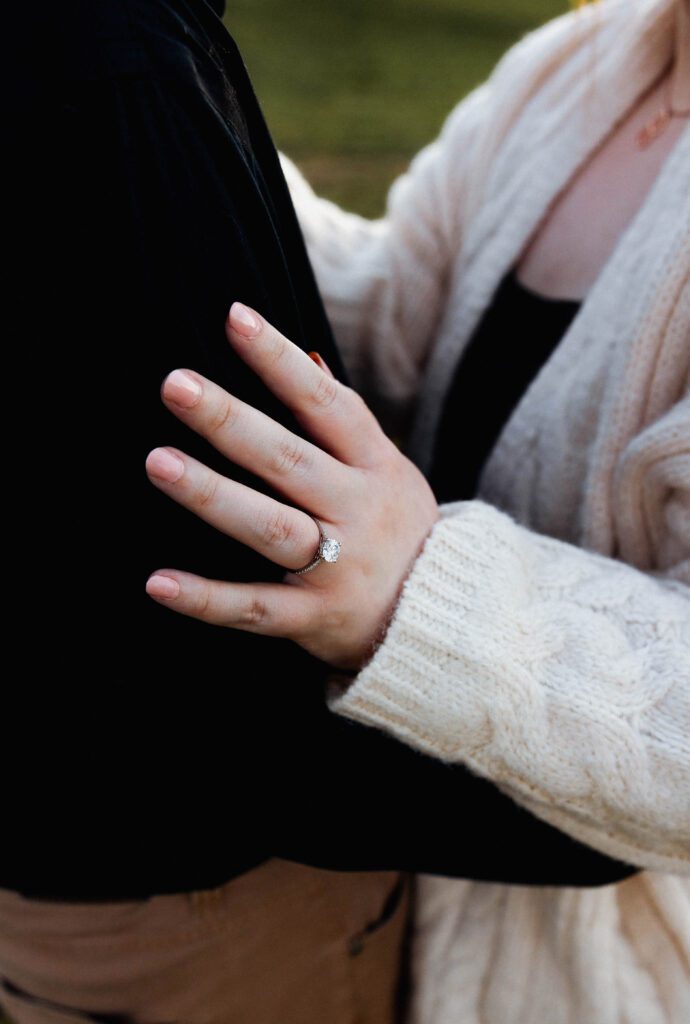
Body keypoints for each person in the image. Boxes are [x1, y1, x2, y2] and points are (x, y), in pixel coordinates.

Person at [0, 2, 633, 1024]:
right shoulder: (581, 63)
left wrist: (425, 595)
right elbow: (399, 304)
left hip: (593, 944)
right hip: (373, 850)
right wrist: (163, 152)